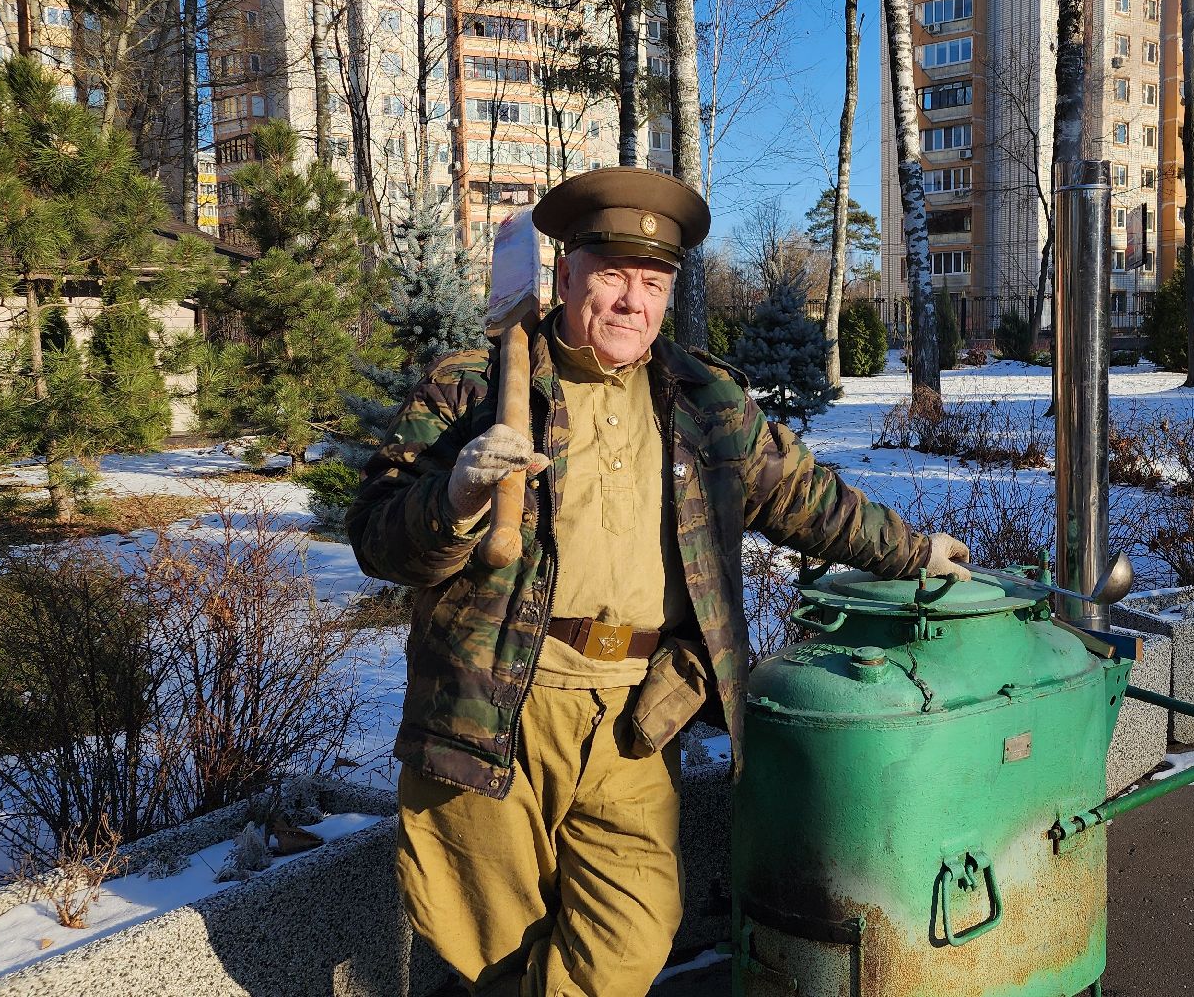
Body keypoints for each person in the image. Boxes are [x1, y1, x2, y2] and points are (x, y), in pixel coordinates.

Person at [348, 166, 972, 997]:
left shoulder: (704, 399)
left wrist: (913, 551)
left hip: (635, 717)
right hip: (494, 702)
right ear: (566, 273)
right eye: (612, 275)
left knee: (632, 935)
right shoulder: (476, 385)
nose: (632, 301)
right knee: (491, 946)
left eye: (653, 282)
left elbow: (804, 498)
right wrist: (455, 496)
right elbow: (376, 536)